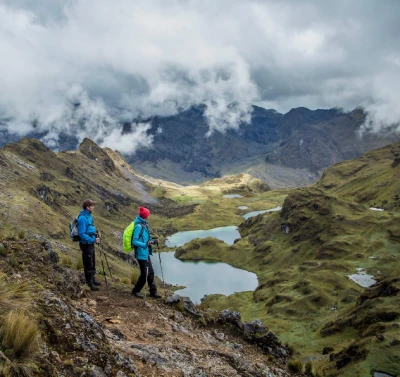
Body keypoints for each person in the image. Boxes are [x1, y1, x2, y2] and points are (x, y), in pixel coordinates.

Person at [131, 206, 161, 299]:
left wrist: (153, 241)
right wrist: (145, 245)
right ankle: (136, 290)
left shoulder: (144, 224)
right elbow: (134, 241)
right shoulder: (139, 226)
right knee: (145, 274)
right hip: (141, 253)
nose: (149, 216)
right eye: (148, 214)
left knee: (150, 272)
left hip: (146, 252)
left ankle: (153, 292)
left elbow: (146, 240)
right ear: (145, 216)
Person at [77, 199, 101, 291]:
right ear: (87, 207)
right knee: (88, 264)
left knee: (92, 262)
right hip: (86, 244)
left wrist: (95, 235)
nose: (93, 207)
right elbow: (82, 234)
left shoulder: (89, 216)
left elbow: (89, 229)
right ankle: (89, 283)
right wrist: (93, 239)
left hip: (91, 243)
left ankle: (93, 280)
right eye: (92, 206)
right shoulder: (82, 218)